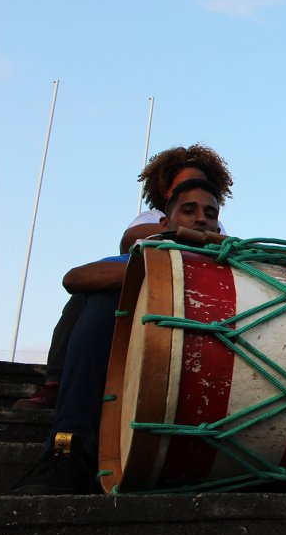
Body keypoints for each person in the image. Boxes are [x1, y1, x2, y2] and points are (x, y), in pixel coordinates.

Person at [14, 179, 222, 494]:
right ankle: (69, 449)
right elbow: (75, 278)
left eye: (210, 212)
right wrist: (157, 275)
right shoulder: (145, 256)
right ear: (165, 223)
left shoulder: (229, 270)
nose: (201, 218)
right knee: (101, 298)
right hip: (140, 374)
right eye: (189, 210)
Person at [14, 144, 233, 411]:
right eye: (187, 186)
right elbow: (129, 240)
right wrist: (185, 233)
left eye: (202, 184)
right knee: (89, 297)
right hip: (147, 277)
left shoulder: (214, 224)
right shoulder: (156, 216)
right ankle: (56, 384)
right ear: (167, 194)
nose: (200, 216)